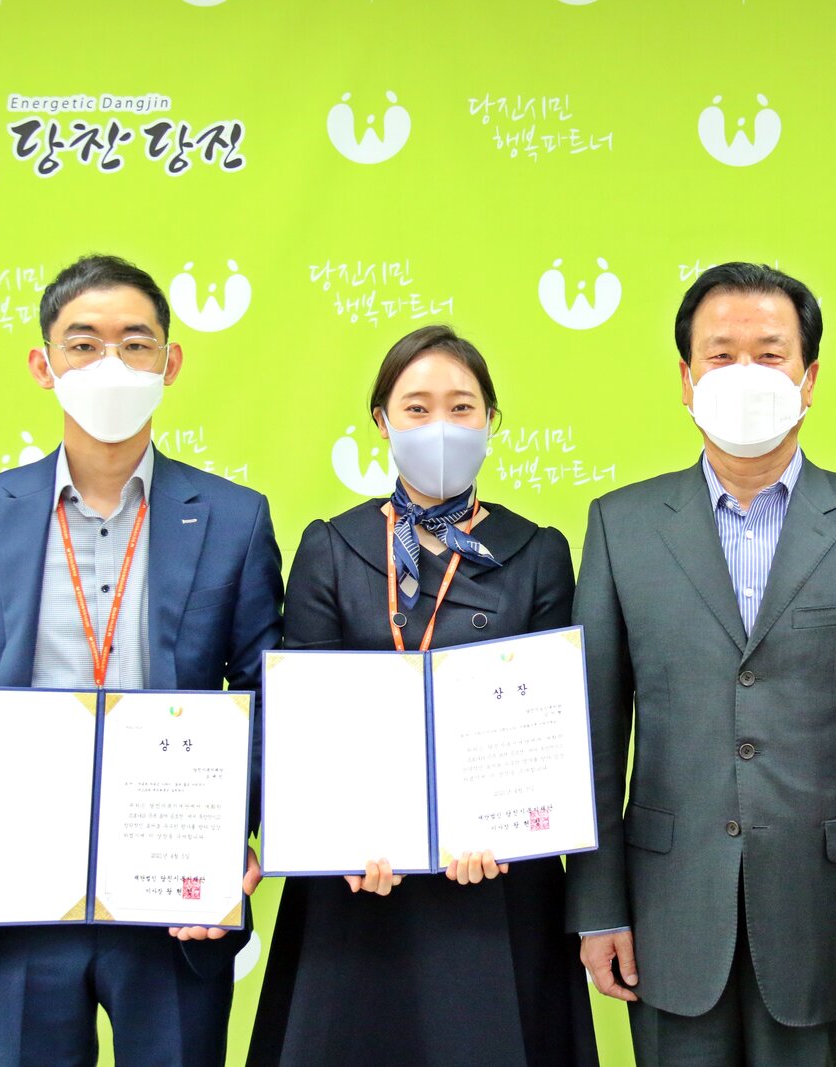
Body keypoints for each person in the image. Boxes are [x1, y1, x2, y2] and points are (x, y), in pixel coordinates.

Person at [0, 254, 284, 1065]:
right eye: (83, 343)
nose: (111, 363)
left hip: (173, 895)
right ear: (44, 365)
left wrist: (229, 835)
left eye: (135, 343)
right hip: (14, 896)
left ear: (170, 363)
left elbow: (265, 696)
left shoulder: (234, 517)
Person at [565, 263, 836, 1065]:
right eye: (721, 354)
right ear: (686, 379)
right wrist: (599, 905)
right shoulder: (620, 526)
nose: (745, 374)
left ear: (809, 378)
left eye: (770, 354)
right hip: (670, 912)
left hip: (834, 918)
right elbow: (592, 740)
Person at [247, 324, 598, 1067]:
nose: (441, 424)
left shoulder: (536, 551)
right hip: (358, 882)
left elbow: (553, 726)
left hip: (494, 882)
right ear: (382, 421)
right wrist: (340, 839)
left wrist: (509, 824)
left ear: (490, 420)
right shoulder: (331, 545)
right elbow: (302, 720)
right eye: (417, 407)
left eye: (461, 407)